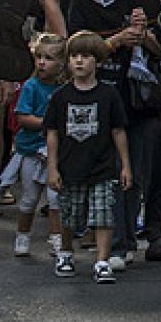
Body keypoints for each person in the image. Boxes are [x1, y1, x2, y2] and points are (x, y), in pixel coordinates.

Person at [66, 0, 161, 267]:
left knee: (152, 167)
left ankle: (155, 234)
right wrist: (117, 40)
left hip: (147, 96)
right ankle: (119, 242)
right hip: (107, 94)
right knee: (116, 170)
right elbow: (78, 47)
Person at [45, 31, 132, 285]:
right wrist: (52, 168)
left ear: (98, 61)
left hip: (102, 167)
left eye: (85, 56)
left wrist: (125, 165)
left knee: (104, 214)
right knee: (70, 215)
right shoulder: (60, 96)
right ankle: (65, 253)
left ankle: (102, 260)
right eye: (74, 56)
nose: (79, 61)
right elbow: (52, 133)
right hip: (70, 166)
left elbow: (118, 131)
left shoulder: (109, 95)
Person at [3, 33, 66, 258]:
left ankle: (57, 239)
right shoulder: (31, 86)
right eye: (39, 57)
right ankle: (22, 234)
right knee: (29, 198)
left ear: (61, 63)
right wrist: (49, 124)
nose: (41, 63)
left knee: (55, 198)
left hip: (55, 152)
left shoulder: (64, 88)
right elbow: (22, 117)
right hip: (31, 150)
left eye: (48, 58)